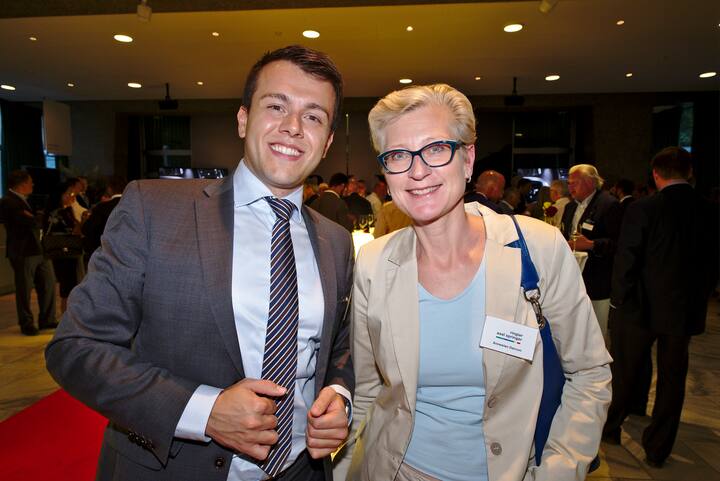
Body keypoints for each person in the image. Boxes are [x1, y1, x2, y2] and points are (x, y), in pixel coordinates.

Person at [46, 45, 354, 481]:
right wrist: (204, 412)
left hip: (301, 470)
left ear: (327, 142)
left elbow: (339, 347)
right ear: (243, 119)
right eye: (276, 106)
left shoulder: (336, 241)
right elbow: (76, 346)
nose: (293, 127)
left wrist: (339, 396)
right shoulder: (154, 210)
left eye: (314, 117)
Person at [334, 84, 611, 481]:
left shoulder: (537, 248)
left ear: (467, 160)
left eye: (436, 149)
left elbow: (589, 373)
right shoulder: (375, 264)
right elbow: (365, 390)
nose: (417, 171)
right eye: (397, 155)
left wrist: (559, 470)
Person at [602, 147, 719, 468]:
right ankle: (658, 448)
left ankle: (611, 428)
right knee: (672, 380)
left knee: (625, 370)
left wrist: (618, 299)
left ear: (655, 174)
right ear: (690, 172)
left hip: (639, 306)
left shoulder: (643, 207)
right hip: (683, 310)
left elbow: (627, 257)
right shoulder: (709, 210)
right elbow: (713, 263)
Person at [560, 164, 622, 338]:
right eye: (569, 183)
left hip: (597, 280)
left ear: (590, 182)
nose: (570, 187)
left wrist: (591, 244)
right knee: (574, 333)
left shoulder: (609, 205)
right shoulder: (570, 207)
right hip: (572, 281)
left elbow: (618, 243)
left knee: (596, 333)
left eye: (574, 183)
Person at [0, 170, 57, 335]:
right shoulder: (8, 201)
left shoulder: (23, 201)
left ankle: (47, 319)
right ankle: (26, 323)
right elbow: (28, 221)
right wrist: (36, 218)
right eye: (30, 181)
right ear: (22, 184)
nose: (33, 184)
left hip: (38, 249)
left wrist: (35, 218)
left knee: (48, 283)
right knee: (24, 288)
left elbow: (32, 219)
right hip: (23, 251)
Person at [44, 181, 86, 313]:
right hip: (66, 250)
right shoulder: (61, 212)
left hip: (64, 251)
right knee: (68, 285)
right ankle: (67, 314)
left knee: (67, 285)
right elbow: (75, 229)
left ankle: (67, 313)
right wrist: (83, 221)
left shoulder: (60, 211)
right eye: (68, 194)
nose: (71, 197)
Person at [81, 175, 127, 261]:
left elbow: (87, 229)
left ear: (109, 189)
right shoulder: (134, 207)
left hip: (105, 254)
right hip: (129, 253)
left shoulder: (102, 208)